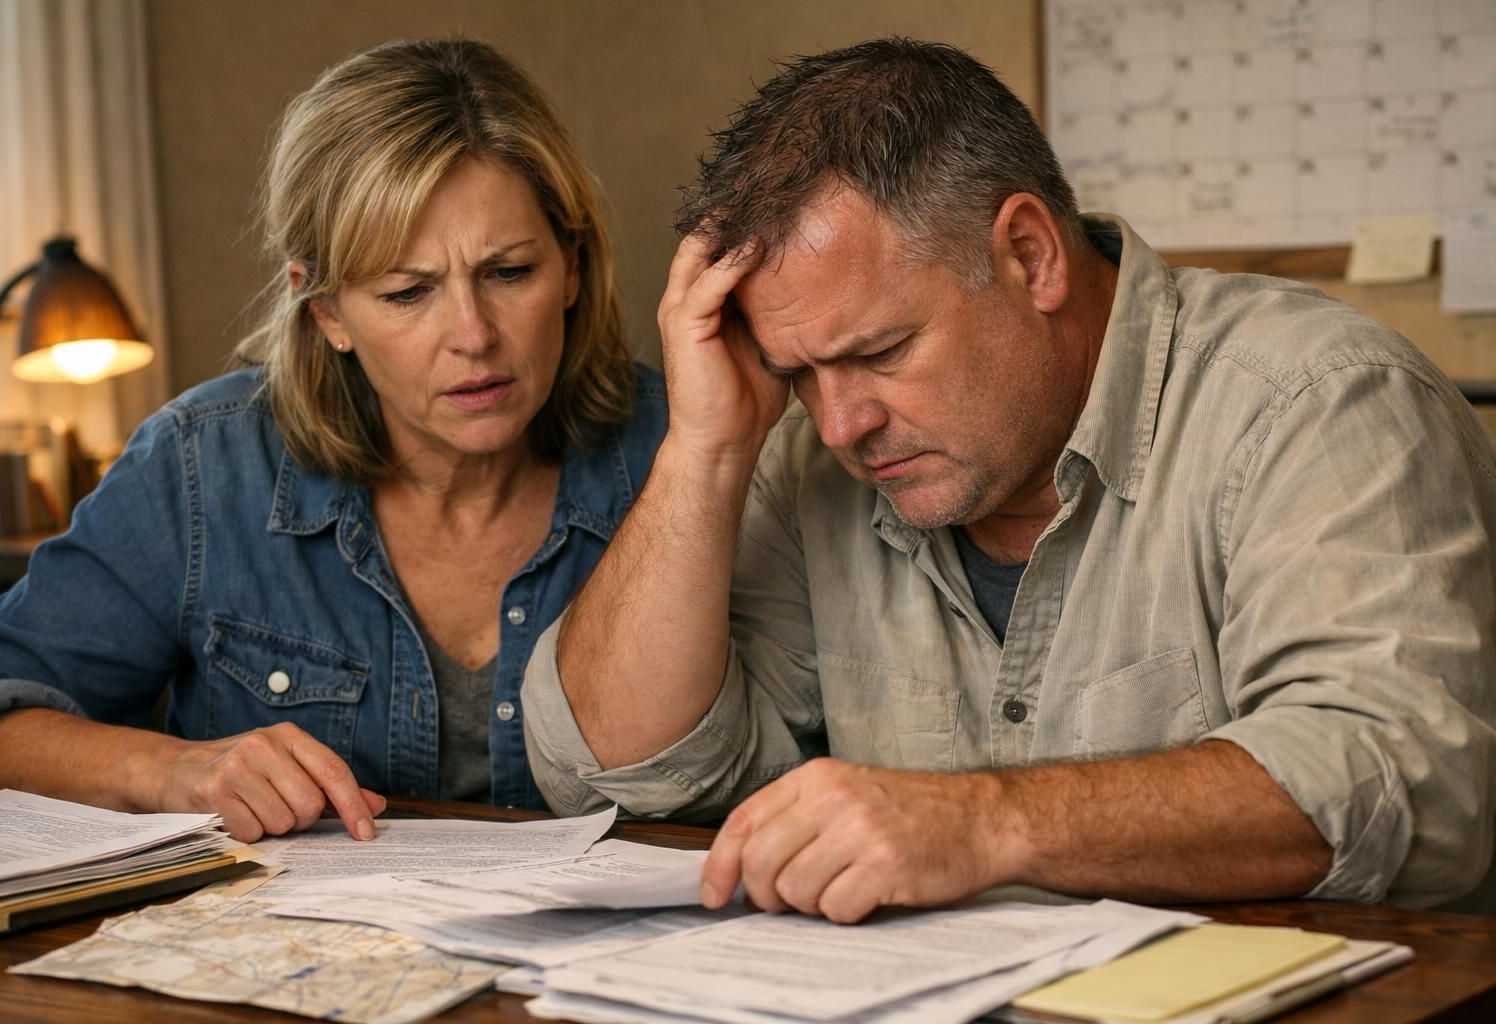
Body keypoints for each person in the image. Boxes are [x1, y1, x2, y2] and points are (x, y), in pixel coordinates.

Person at [522, 38, 1496, 922]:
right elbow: (610, 770)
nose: (841, 422)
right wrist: (704, 449)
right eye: (797, 372)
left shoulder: (1318, 402)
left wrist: (981, 823)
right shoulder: (806, 454)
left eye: (881, 349)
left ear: (1029, 256)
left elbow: (1395, 773)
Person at [0, 39, 666, 841]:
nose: (473, 335)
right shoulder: (203, 468)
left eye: (509, 273)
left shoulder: (680, 452)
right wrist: (165, 769)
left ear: (571, 266)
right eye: (407, 292)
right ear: (325, 311)